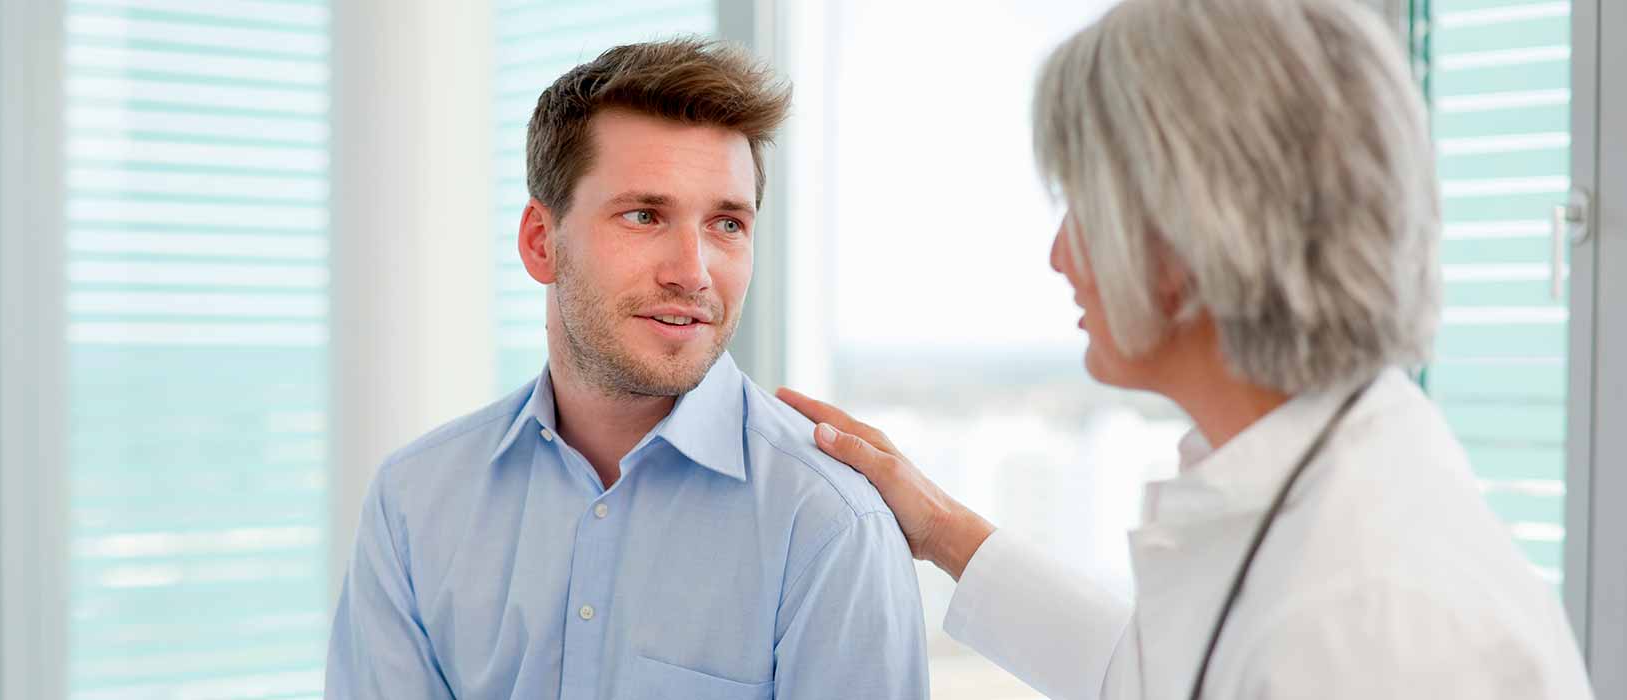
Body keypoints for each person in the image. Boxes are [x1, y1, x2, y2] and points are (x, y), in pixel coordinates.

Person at [777, 1, 1594, 698]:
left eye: (1082, 208)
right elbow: (1170, 674)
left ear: (1192, 236)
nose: (1060, 256)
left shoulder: (1367, 618)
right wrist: (940, 528)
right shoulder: (1322, 476)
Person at [326, 38, 928, 699]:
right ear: (540, 242)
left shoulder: (828, 524)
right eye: (644, 215)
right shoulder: (414, 502)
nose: (693, 273)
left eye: (727, 224)